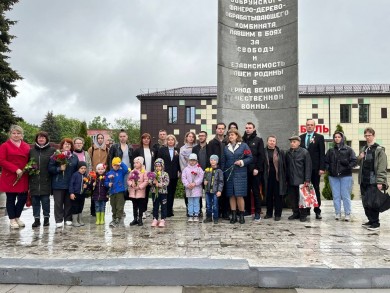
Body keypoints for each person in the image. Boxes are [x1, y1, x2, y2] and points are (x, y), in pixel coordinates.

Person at [0, 125, 30, 229]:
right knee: (11, 198)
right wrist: (15, 169)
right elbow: (2, 160)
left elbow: (30, 159)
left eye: (18, 133)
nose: (16, 135)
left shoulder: (26, 146)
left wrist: (30, 167)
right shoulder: (5, 145)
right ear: (10, 134)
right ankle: (12, 219)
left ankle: (17, 217)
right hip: (10, 175)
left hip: (23, 175)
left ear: (22, 135)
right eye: (14, 133)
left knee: (22, 198)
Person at [358, 127, 388, 231]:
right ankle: (370, 220)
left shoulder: (379, 150)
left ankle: (376, 223)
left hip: (373, 180)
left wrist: (380, 181)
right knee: (365, 202)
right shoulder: (364, 149)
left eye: (369, 135)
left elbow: (382, 166)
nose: (367, 137)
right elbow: (358, 163)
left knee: (373, 202)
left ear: (373, 136)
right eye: (366, 135)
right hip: (364, 180)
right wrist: (359, 158)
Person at [221, 129, 253, 224]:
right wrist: (223, 173)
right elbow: (223, 161)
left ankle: (241, 215)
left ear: (236, 135)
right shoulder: (226, 147)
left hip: (240, 174)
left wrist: (241, 162)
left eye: (232, 135)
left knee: (239, 195)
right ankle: (234, 215)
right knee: (231, 195)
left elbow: (250, 158)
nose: (230, 136)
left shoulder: (244, 146)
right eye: (229, 135)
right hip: (229, 175)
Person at [325, 131, 357, 221]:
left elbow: (354, 160)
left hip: (346, 176)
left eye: (339, 137)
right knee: (336, 195)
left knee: (345, 195)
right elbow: (326, 161)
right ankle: (337, 213)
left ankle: (347, 213)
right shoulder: (331, 150)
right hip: (333, 176)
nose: (337, 138)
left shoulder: (349, 149)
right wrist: (329, 169)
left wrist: (348, 167)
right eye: (335, 137)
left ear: (342, 138)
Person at [48, 138, 79, 228]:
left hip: (69, 183)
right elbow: (50, 168)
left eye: (69, 144)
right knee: (58, 203)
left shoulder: (74, 157)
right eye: (65, 144)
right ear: (62, 145)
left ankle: (68, 218)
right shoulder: (56, 155)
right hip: (58, 183)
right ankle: (59, 219)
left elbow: (76, 170)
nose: (67, 145)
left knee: (68, 202)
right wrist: (59, 169)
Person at [29, 131, 56, 228]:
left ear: (46, 139)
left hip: (46, 180)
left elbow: (54, 164)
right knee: (35, 201)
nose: (41, 139)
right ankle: (36, 219)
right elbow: (28, 164)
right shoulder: (31, 151)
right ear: (36, 139)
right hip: (34, 181)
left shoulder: (52, 150)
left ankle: (46, 218)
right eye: (39, 137)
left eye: (43, 138)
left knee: (45, 201)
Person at [300, 119, 325, 219]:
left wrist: (322, 168)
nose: (309, 126)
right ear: (305, 126)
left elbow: (322, 154)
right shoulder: (301, 137)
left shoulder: (319, 137)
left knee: (315, 188)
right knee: (305, 189)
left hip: (315, 168)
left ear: (314, 126)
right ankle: (306, 210)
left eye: (311, 125)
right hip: (304, 168)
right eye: (308, 125)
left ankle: (317, 210)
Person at [286, 136, 312, 222]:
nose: (292, 143)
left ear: (299, 143)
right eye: (291, 142)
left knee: (303, 198)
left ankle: (303, 214)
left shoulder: (304, 152)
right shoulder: (288, 153)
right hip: (291, 180)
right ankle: (295, 213)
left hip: (301, 180)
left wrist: (307, 180)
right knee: (293, 198)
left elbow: (308, 167)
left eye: (294, 142)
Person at [242, 122, 265, 222]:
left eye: (250, 128)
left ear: (254, 129)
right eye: (246, 128)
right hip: (244, 170)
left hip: (254, 171)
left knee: (256, 192)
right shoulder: (242, 140)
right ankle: (247, 210)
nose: (248, 129)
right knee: (245, 191)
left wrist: (257, 168)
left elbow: (261, 156)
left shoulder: (258, 140)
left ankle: (257, 212)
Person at [208, 123, 229, 220]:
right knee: (215, 191)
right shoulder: (212, 142)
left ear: (224, 130)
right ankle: (217, 212)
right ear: (216, 130)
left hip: (226, 169)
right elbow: (209, 157)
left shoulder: (228, 141)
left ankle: (225, 212)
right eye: (219, 128)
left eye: (222, 129)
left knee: (225, 191)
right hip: (215, 170)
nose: (220, 130)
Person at [263, 135, 287, 221]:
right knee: (268, 196)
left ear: (276, 142)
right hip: (267, 177)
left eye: (273, 141)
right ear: (267, 142)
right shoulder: (263, 151)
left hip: (278, 177)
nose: (272, 142)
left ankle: (278, 214)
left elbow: (284, 165)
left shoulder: (280, 152)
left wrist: (285, 178)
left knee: (278, 196)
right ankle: (269, 213)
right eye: (270, 140)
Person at [157, 134, 180, 217]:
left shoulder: (178, 150)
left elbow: (179, 162)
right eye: (169, 139)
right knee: (164, 193)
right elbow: (158, 161)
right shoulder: (162, 149)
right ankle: (164, 211)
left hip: (174, 175)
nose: (170, 141)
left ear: (174, 141)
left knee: (171, 193)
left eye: (172, 139)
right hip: (164, 175)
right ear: (166, 141)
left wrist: (179, 171)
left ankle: (170, 210)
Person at [133, 133, 155, 219]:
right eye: (144, 138)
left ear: (150, 140)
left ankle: (145, 210)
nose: (146, 140)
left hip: (150, 175)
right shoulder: (138, 150)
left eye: (148, 138)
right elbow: (134, 163)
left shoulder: (153, 150)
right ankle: (140, 211)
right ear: (142, 140)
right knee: (141, 193)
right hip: (141, 176)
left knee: (148, 193)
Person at [105, 157, 129, 228]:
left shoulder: (121, 172)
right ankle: (114, 217)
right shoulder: (109, 173)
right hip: (112, 192)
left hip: (120, 192)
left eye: (118, 165)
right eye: (115, 165)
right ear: (112, 165)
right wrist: (108, 184)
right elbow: (106, 182)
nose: (116, 166)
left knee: (119, 206)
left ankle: (118, 217)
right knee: (113, 206)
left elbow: (126, 169)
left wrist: (120, 163)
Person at [181, 153, 204, 222]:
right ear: (188, 161)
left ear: (196, 161)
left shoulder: (199, 169)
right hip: (189, 189)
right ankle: (190, 214)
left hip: (196, 188)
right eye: (191, 160)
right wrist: (188, 184)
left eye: (194, 160)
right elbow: (183, 178)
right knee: (190, 202)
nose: (192, 162)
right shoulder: (186, 169)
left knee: (196, 202)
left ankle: (196, 214)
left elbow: (201, 177)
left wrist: (195, 183)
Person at [127, 156, 149, 226]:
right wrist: (131, 184)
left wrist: (140, 186)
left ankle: (140, 218)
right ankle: (135, 218)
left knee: (141, 206)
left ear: (141, 164)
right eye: (134, 163)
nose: (135, 164)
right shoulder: (132, 171)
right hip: (133, 192)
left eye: (137, 163)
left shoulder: (144, 172)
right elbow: (129, 180)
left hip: (140, 192)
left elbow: (146, 181)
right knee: (134, 206)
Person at [179, 131, 197, 215]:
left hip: (196, 172)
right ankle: (188, 209)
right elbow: (182, 161)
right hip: (186, 172)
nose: (191, 138)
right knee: (187, 191)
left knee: (196, 190)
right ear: (186, 137)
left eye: (192, 137)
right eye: (189, 136)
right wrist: (185, 172)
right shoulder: (183, 148)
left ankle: (197, 209)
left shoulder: (196, 147)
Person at [203, 155, 224, 224]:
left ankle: (215, 218)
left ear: (217, 161)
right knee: (208, 205)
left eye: (214, 160)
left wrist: (219, 191)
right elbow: (205, 177)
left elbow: (221, 182)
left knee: (215, 205)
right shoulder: (207, 170)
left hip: (215, 191)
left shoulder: (219, 171)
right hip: (208, 191)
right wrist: (204, 181)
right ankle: (209, 217)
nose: (213, 161)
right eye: (211, 160)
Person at [150, 158, 170, 227]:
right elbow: (149, 181)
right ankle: (155, 218)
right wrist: (153, 182)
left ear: (162, 166)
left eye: (159, 166)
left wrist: (160, 185)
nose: (158, 168)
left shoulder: (165, 174)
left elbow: (167, 182)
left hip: (163, 193)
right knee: (155, 206)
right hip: (154, 192)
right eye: (157, 166)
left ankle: (163, 219)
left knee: (163, 206)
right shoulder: (153, 174)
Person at [192, 131, 208, 212]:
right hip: (197, 174)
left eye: (203, 136)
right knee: (198, 193)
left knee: (208, 192)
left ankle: (208, 210)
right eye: (200, 136)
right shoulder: (195, 148)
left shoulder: (209, 147)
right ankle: (199, 210)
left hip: (208, 173)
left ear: (206, 137)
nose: (201, 137)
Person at [69, 161, 88, 227]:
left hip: (82, 194)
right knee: (75, 207)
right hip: (75, 194)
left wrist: (86, 187)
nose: (83, 170)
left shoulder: (85, 176)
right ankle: (74, 221)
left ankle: (80, 220)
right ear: (78, 168)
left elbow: (86, 184)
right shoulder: (75, 175)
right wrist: (71, 193)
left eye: (84, 168)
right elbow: (71, 184)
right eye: (81, 168)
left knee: (80, 207)